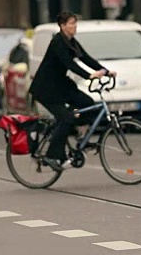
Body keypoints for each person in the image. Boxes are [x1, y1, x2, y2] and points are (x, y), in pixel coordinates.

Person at [29, 11, 117, 172]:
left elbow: (86, 58)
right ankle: (51, 155)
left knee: (87, 103)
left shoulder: (71, 42)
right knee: (66, 118)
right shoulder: (57, 42)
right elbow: (70, 64)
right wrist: (89, 75)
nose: (74, 26)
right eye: (71, 24)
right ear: (62, 26)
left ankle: (79, 134)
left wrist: (105, 70)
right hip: (46, 89)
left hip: (61, 86)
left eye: (75, 23)